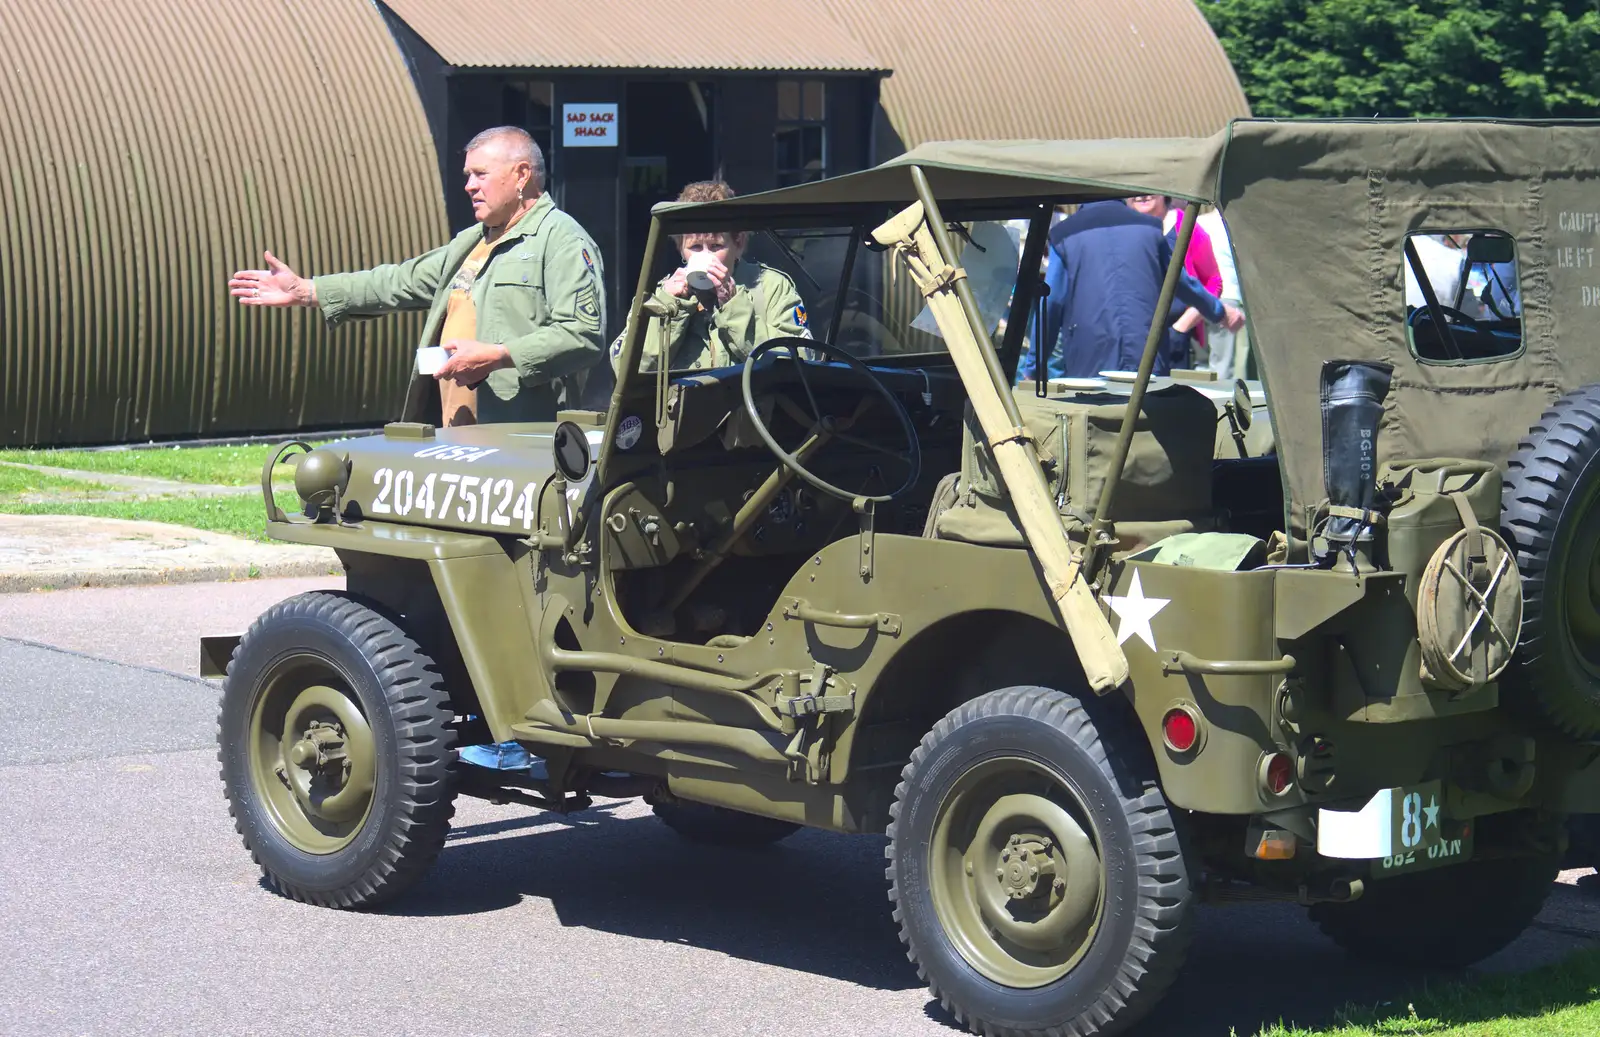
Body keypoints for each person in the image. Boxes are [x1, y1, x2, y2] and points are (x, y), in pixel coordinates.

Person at [229, 126, 605, 426]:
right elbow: (398, 281)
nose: (469, 186)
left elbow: (583, 334)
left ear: (522, 175)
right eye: (467, 175)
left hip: (520, 436)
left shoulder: (563, 241)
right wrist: (307, 290)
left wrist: (498, 356)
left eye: (480, 174)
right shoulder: (471, 243)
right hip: (456, 434)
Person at [1019, 200, 1243, 381]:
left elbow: (1051, 303)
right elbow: (1181, 282)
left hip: (1089, 356)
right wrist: (1219, 311)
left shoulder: (1064, 235)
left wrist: (1034, 367)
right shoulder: (1149, 229)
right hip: (1147, 353)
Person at [612, 180, 810, 373]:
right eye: (695, 247)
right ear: (680, 248)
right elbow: (624, 370)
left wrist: (735, 307)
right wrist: (670, 307)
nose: (705, 255)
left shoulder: (770, 288)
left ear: (738, 243)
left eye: (716, 246)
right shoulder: (658, 297)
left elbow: (800, 362)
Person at [1129, 195, 1222, 370]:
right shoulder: (1124, 229)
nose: (1141, 195)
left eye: (1149, 189)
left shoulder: (1187, 228)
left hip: (1175, 338)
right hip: (1134, 335)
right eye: (1134, 190)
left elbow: (1213, 282)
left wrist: (1181, 327)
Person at [1196, 207, 1249, 379]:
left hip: (1199, 298)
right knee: (1224, 366)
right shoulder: (1238, 223)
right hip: (1229, 297)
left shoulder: (1198, 222)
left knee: (1202, 364)